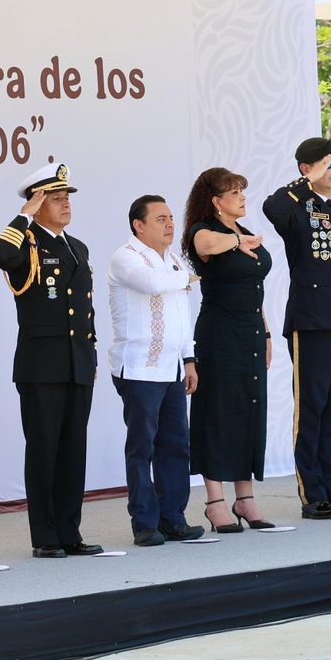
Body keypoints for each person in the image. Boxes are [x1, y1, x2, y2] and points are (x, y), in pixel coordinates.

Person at [0, 162, 101, 558]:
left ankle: (70, 531)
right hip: (42, 364)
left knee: (73, 451)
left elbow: (84, 310)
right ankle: (46, 536)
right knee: (44, 450)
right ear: (36, 204)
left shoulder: (77, 247)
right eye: (55, 198)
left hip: (77, 362)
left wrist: (90, 356)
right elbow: (0, 254)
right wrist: (23, 216)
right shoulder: (26, 243)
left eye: (67, 197)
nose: (66, 203)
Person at [262, 138, 331, 520]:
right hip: (313, 323)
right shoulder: (297, 205)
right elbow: (271, 207)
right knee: (312, 410)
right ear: (306, 169)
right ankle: (313, 493)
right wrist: (307, 182)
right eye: (327, 163)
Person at [106, 195, 205, 547]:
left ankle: (173, 518)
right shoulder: (125, 257)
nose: (170, 224)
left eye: (171, 218)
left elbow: (182, 316)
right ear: (139, 225)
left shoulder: (173, 260)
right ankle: (144, 522)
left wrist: (189, 359)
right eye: (161, 219)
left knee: (176, 445)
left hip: (172, 368)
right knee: (142, 448)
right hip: (139, 368)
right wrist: (186, 278)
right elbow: (151, 283)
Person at [184, 168, 275, 532]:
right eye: (234, 192)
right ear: (216, 201)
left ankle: (245, 497)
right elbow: (205, 246)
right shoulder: (203, 230)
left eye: (241, 190)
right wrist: (236, 242)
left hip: (251, 332)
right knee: (218, 411)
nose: (242, 197)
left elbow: (254, 289)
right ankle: (215, 501)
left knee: (250, 408)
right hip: (219, 334)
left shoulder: (245, 231)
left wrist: (266, 333)